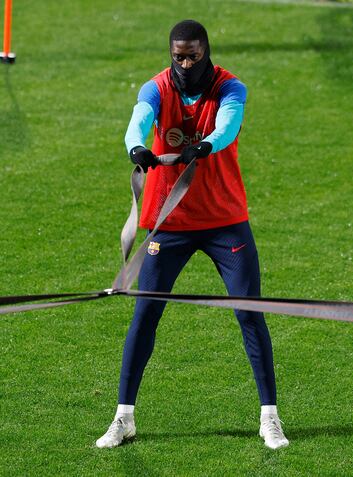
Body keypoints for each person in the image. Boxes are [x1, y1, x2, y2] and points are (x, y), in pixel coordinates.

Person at [96, 19, 289, 450]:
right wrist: (137, 148)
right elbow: (137, 121)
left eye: (193, 56)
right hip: (171, 223)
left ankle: (270, 418)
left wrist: (203, 146)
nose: (185, 63)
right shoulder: (157, 87)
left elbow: (228, 126)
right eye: (178, 56)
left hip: (224, 221)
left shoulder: (229, 87)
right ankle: (123, 418)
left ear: (207, 52)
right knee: (145, 316)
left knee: (248, 313)